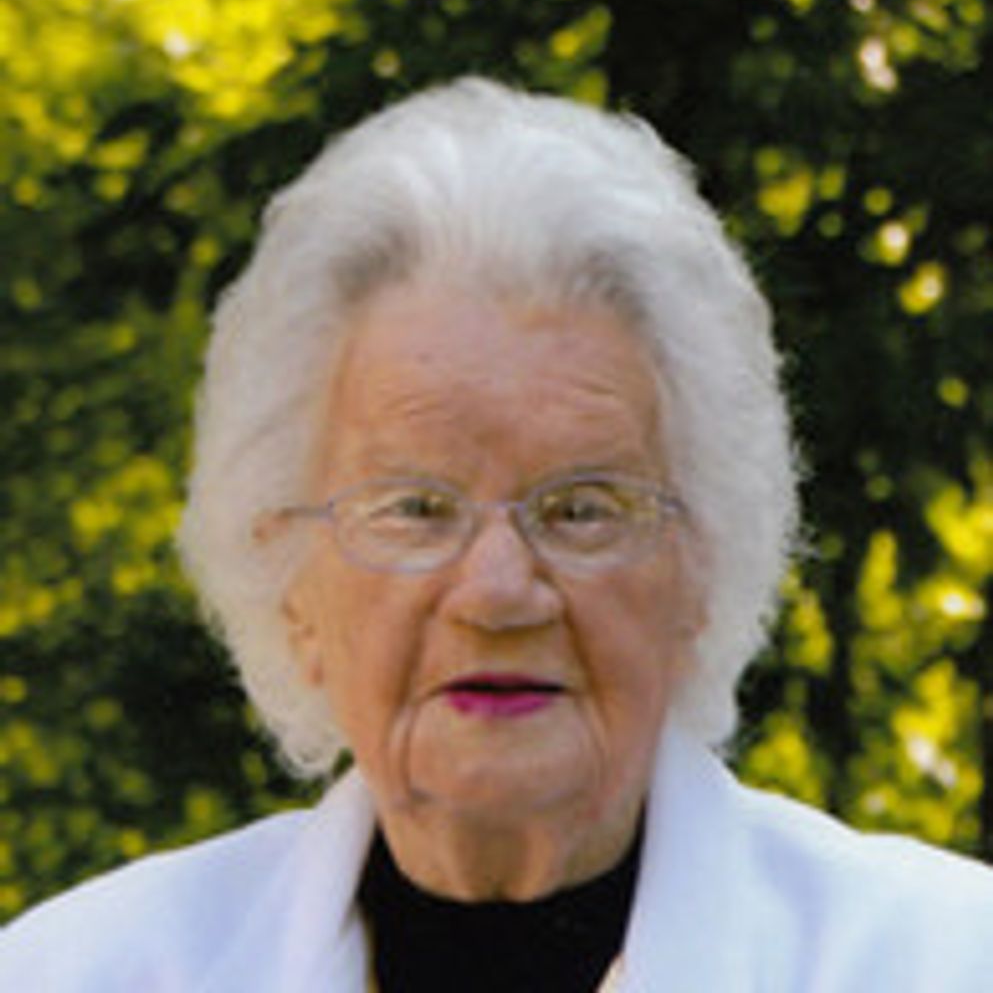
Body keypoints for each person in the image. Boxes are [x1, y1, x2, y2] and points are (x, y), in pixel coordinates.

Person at [3, 77, 993, 992]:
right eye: (414, 508)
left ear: (701, 564)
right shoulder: (84, 972)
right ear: (290, 581)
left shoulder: (942, 958)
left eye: (582, 508)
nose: (496, 593)